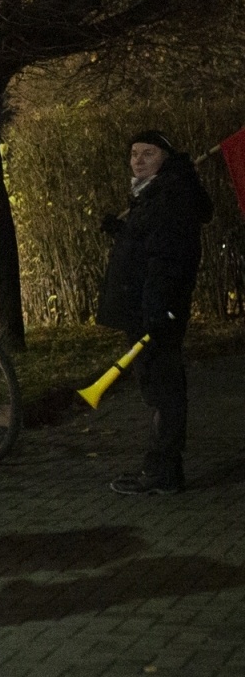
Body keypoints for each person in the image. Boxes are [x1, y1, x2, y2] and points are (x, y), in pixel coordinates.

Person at [98, 130, 213, 495]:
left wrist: (158, 309)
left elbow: (167, 258)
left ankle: (162, 472)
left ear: (165, 157)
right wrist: (124, 231)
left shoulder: (170, 196)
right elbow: (148, 244)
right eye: (134, 153)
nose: (138, 160)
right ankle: (163, 468)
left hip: (156, 312)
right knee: (160, 387)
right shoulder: (156, 193)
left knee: (163, 389)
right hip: (151, 308)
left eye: (148, 153)